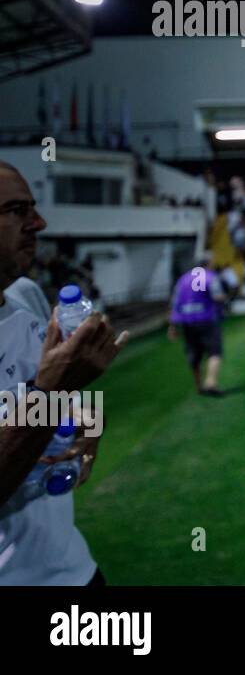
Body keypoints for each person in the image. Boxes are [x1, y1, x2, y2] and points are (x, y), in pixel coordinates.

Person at [0, 160, 128, 584]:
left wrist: (86, 421)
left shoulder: (27, 297)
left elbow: (62, 406)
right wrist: (53, 391)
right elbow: (48, 393)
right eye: (18, 210)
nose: (39, 222)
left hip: (76, 571)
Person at [167, 251, 228, 396]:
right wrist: (226, 297)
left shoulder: (183, 280)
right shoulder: (211, 277)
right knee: (214, 351)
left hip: (187, 323)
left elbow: (175, 303)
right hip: (207, 320)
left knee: (193, 354)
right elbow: (217, 296)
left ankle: (198, 385)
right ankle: (210, 382)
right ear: (210, 263)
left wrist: (172, 326)